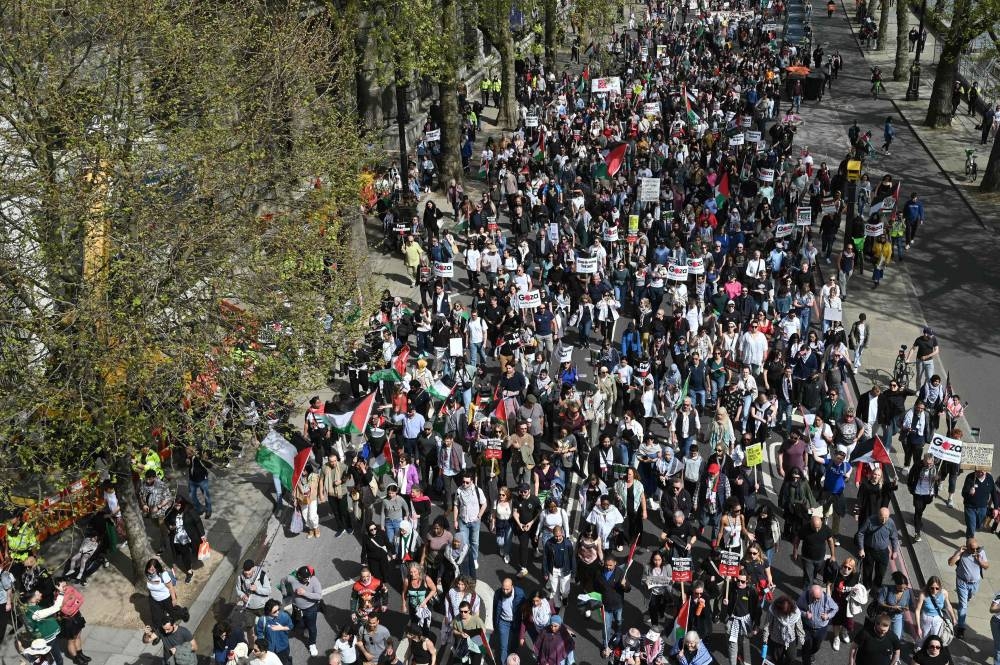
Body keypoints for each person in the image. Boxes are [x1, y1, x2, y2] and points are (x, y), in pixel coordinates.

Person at [947, 537, 989, 638]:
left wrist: (980, 561)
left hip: (975, 583)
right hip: (962, 582)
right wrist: (958, 553)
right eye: (972, 549)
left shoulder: (981, 552)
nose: (975, 550)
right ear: (967, 547)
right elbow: (950, 563)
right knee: (963, 605)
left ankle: (967, 599)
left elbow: (986, 566)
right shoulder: (962, 552)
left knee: (969, 597)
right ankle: (961, 628)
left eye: (976, 548)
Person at [164, 496, 206, 584]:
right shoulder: (170, 511)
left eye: (178, 505)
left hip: (190, 535)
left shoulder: (190, 510)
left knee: (195, 548)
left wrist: (202, 534)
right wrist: (170, 527)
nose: (177, 507)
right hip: (178, 537)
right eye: (175, 505)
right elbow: (166, 521)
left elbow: (197, 521)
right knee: (185, 554)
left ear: (182, 504)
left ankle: (194, 554)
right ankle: (189, 571)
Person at [856, 507, 900, 589]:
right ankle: (866, 588)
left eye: (886, 518)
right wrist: (861, 549)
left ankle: (876, 587)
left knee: (881, 572)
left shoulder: (890, 523)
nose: (883, 521)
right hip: (869, 550)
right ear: (878, 515)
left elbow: (894, 537)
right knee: (867, 571)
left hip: (883, 552)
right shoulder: (870, 520)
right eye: (882, 518)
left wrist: (895, 551)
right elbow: (860, 533)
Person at [285, 565, 322, 656]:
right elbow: (283, 581)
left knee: (312, 627)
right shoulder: (292, 578)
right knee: (299, 623)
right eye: (305, 578)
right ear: (299, 576)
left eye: (308, 577)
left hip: (310, 609)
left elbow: (318, 596)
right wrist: (284, 591)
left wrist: (304, 593)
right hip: (297, 608)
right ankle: (299, 627)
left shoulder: (314, 580)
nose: (307, 579)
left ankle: (312, 643)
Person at [798, 584, 838, 665]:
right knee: (806, 647)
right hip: (807, 627)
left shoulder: (827, 598)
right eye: (814, 598)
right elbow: (796, 609)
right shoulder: (804, 596)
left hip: (821, 629)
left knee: (816, 646)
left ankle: (811, 653)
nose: (816, 600)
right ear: (810, 593)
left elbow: (836, 608)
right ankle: (806, 660)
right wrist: (805, 614)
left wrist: (828, 616)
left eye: (818, 598)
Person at [761, 595, 805, 665]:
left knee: (792, 657)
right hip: (776, 639)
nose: (784, 615)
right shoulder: (773, 610)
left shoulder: (796, 612)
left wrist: (802, 640)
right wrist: (765, 640)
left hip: (790, 639)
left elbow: (799, 627)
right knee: (777, 660)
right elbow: (767, 625)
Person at [492, 577, 525, 665]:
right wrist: (495, 625)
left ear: (512, 586)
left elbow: (525, 609)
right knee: (504, 647)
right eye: (503, 589)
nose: (505, 591)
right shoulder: (498, 593)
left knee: (514, 645)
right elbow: (495, 610)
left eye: (507, 589)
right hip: (503, 622)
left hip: (516, 622)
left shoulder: (520, 593)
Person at [915, 576, 958, 642]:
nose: (934, 590)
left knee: (934, 638)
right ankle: (919, 649)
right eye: (932, 588)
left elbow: (948, 606)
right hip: (926, 618)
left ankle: (931, 651)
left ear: (940, 587)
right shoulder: (923, 594)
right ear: (928, 586)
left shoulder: (944, 593)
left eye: (937, 588)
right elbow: (917, 610)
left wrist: (953, 618)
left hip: (938, 619)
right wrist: (918, 627)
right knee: (923, 637)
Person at [254, 600, 293, 665]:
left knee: (283, 662)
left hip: (283, 647)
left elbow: (291, 626)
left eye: (278, 609)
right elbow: (260, 633)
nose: (278, 612)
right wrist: (262, 646)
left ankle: (288, 661)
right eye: (275, 611)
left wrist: (282, 628)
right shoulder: (262, 620)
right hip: (270, 649)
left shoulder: (284, 616)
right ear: (268, 612)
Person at [961, 467, 996, 537]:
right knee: (971, 526)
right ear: (975, 470)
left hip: (982, 507)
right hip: (970, 507)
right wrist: (969, 492)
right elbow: (963, 493)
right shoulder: (970, 477)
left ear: (986, 470)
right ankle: (970, 543)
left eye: (982, 471)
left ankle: (970, 532)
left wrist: (996, 507)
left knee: (977, 525)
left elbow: (994, 493)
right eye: (978, 471)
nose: (980, 473)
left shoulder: (989, 478)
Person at [877, 572, 913, 639]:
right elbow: (880, 602)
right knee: (881, 636)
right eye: (900, 588)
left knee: (896, 638)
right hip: (885, 616)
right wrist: (891, 607)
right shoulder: (887, 589)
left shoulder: (907, 592)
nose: (902, 590)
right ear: (896, 584)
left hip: (897, 617)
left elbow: (907, 604)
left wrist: (906, 608)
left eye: (904, 588)